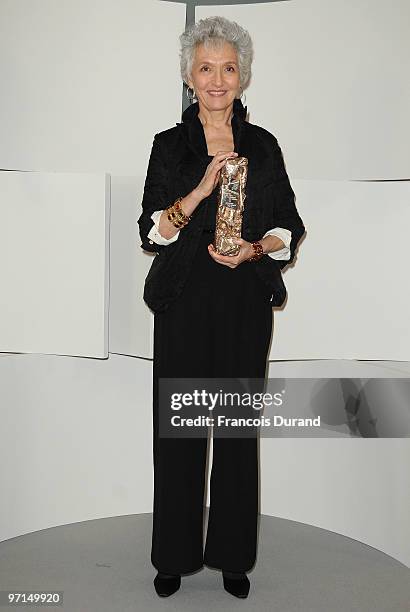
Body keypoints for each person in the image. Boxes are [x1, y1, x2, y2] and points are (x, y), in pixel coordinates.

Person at [137, 16, 305, 599]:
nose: (216, 80)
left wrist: (254, 249)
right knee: (180, 431)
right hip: (183, 302)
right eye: (205, 68)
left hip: (241, 302)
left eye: (228, 68)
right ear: (189, 75)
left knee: (234, 433)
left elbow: (289, 225)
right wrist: (200, 190)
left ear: (242, 77)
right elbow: (153, 231)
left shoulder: (264, 146)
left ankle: (233, 555)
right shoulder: (168, 145)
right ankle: (173, 556)